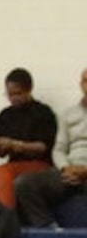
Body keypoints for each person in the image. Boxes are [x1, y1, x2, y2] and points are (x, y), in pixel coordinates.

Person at [17, 67, 87, 228]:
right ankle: (48, 228)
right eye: (85, 80)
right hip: (69, 171)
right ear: (80, 84)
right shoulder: (68, 114)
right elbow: (59, 148)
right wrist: (65, 168)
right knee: (24, 184)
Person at [0, 68, 57, 208]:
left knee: (2, 173)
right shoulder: (5, 115)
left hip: (40, 164)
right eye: (9, 94)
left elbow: (43, 147)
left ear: (29, 90)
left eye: (17, 94)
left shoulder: (43, 112)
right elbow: (1, 154)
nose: (13, 98)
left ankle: (5, 219)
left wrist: (15, 145)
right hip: (13, 164)